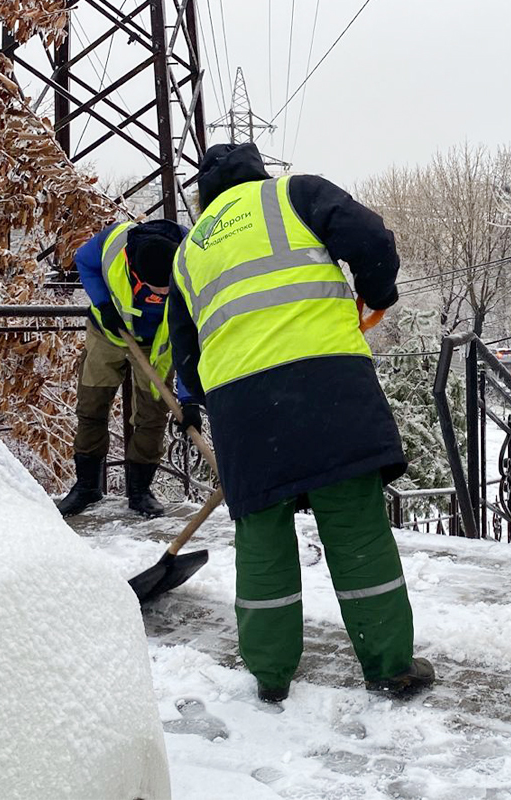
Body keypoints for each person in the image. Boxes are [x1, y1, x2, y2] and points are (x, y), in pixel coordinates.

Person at [163, 142, 434, 703]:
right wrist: (377, 295)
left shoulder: (187, 253)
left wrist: (213, 403)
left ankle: (270, 676)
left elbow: (184, 358)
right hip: (328, 386)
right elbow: (373, 241)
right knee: (355, 526)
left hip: (243, 409)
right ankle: (389, 667)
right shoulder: (295, 194)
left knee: (261, 539)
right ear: (256, 173)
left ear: (204, 195)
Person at [55, 218, 188, 519]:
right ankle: (87, 486)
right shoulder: (113, 246)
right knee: (91, 405)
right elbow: (83, 262)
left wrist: (189, 398)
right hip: (107, 333)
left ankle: (140, 491)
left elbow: (191, 337)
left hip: (156, 347)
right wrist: (103, 304)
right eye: (156, 291)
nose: (163, 295)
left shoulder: (192, 255)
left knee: (152, 415)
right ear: (135, 275)